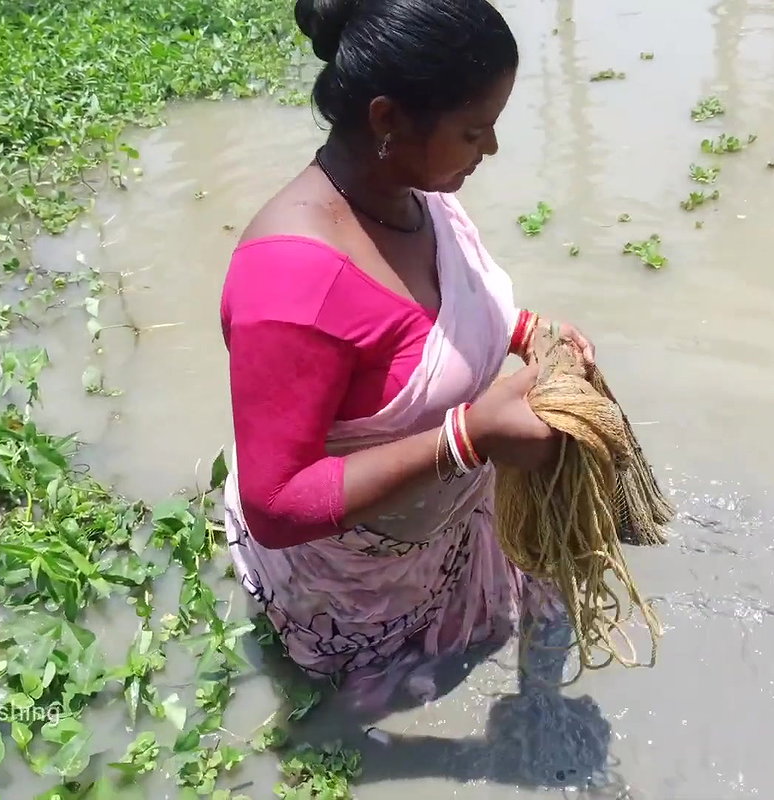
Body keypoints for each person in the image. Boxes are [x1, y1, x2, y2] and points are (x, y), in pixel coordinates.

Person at [219, 0, 596, 707]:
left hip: (447, 524)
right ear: (387, 119)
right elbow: (275, 504)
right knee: (378, 696)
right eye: (474, 131)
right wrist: (468, 438)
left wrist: (527, 331)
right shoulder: (292, 282)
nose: (491, 149)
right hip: (354, 579)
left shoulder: (420, 193)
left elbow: (432, 318)